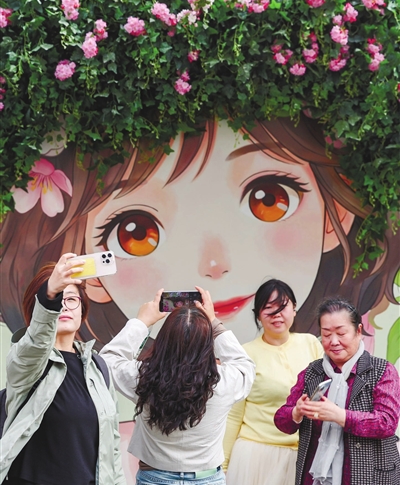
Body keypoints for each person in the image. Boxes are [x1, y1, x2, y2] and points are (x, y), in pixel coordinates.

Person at [1, 116, 399, 353]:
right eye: (136, 232)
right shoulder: (106, 372)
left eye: (268, 199)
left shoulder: (311, 354)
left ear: (336, 215)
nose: (213, 264)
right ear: (95, 282)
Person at [100, 286, 256, 485]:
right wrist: (213, 322)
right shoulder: (223, 381)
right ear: (207, 344)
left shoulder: (143, 377)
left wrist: (142, 322)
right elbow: (245, 365)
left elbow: (107, 361)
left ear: (163, 341)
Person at [0, 253, 128, 485]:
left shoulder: (97, 367)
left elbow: (111, 444)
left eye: (71, 299)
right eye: (59, 298)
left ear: (83, 310)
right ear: (38, 311)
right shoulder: (27, 360)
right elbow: (36, 343)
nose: (64, 306)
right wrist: (50, 294)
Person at [274, 297, 400, 485]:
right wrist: (296, 412)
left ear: (358, 331)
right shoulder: (312, 373)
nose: (333, 341)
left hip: (369, 482)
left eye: (341, 333)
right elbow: (281, 420)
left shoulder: (381, 371)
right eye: (326, 334)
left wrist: (340, 416)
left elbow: (386, 423)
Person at [223, 278, 324, 485]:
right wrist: (224, 466)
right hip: (256, 457)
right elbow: (233, 415)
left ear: (294, 309)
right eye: (268, 308)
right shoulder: (245, 354)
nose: (277, 314)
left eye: (283, 306)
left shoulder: (311, 344)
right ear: (258, 315)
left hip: (303, 454)